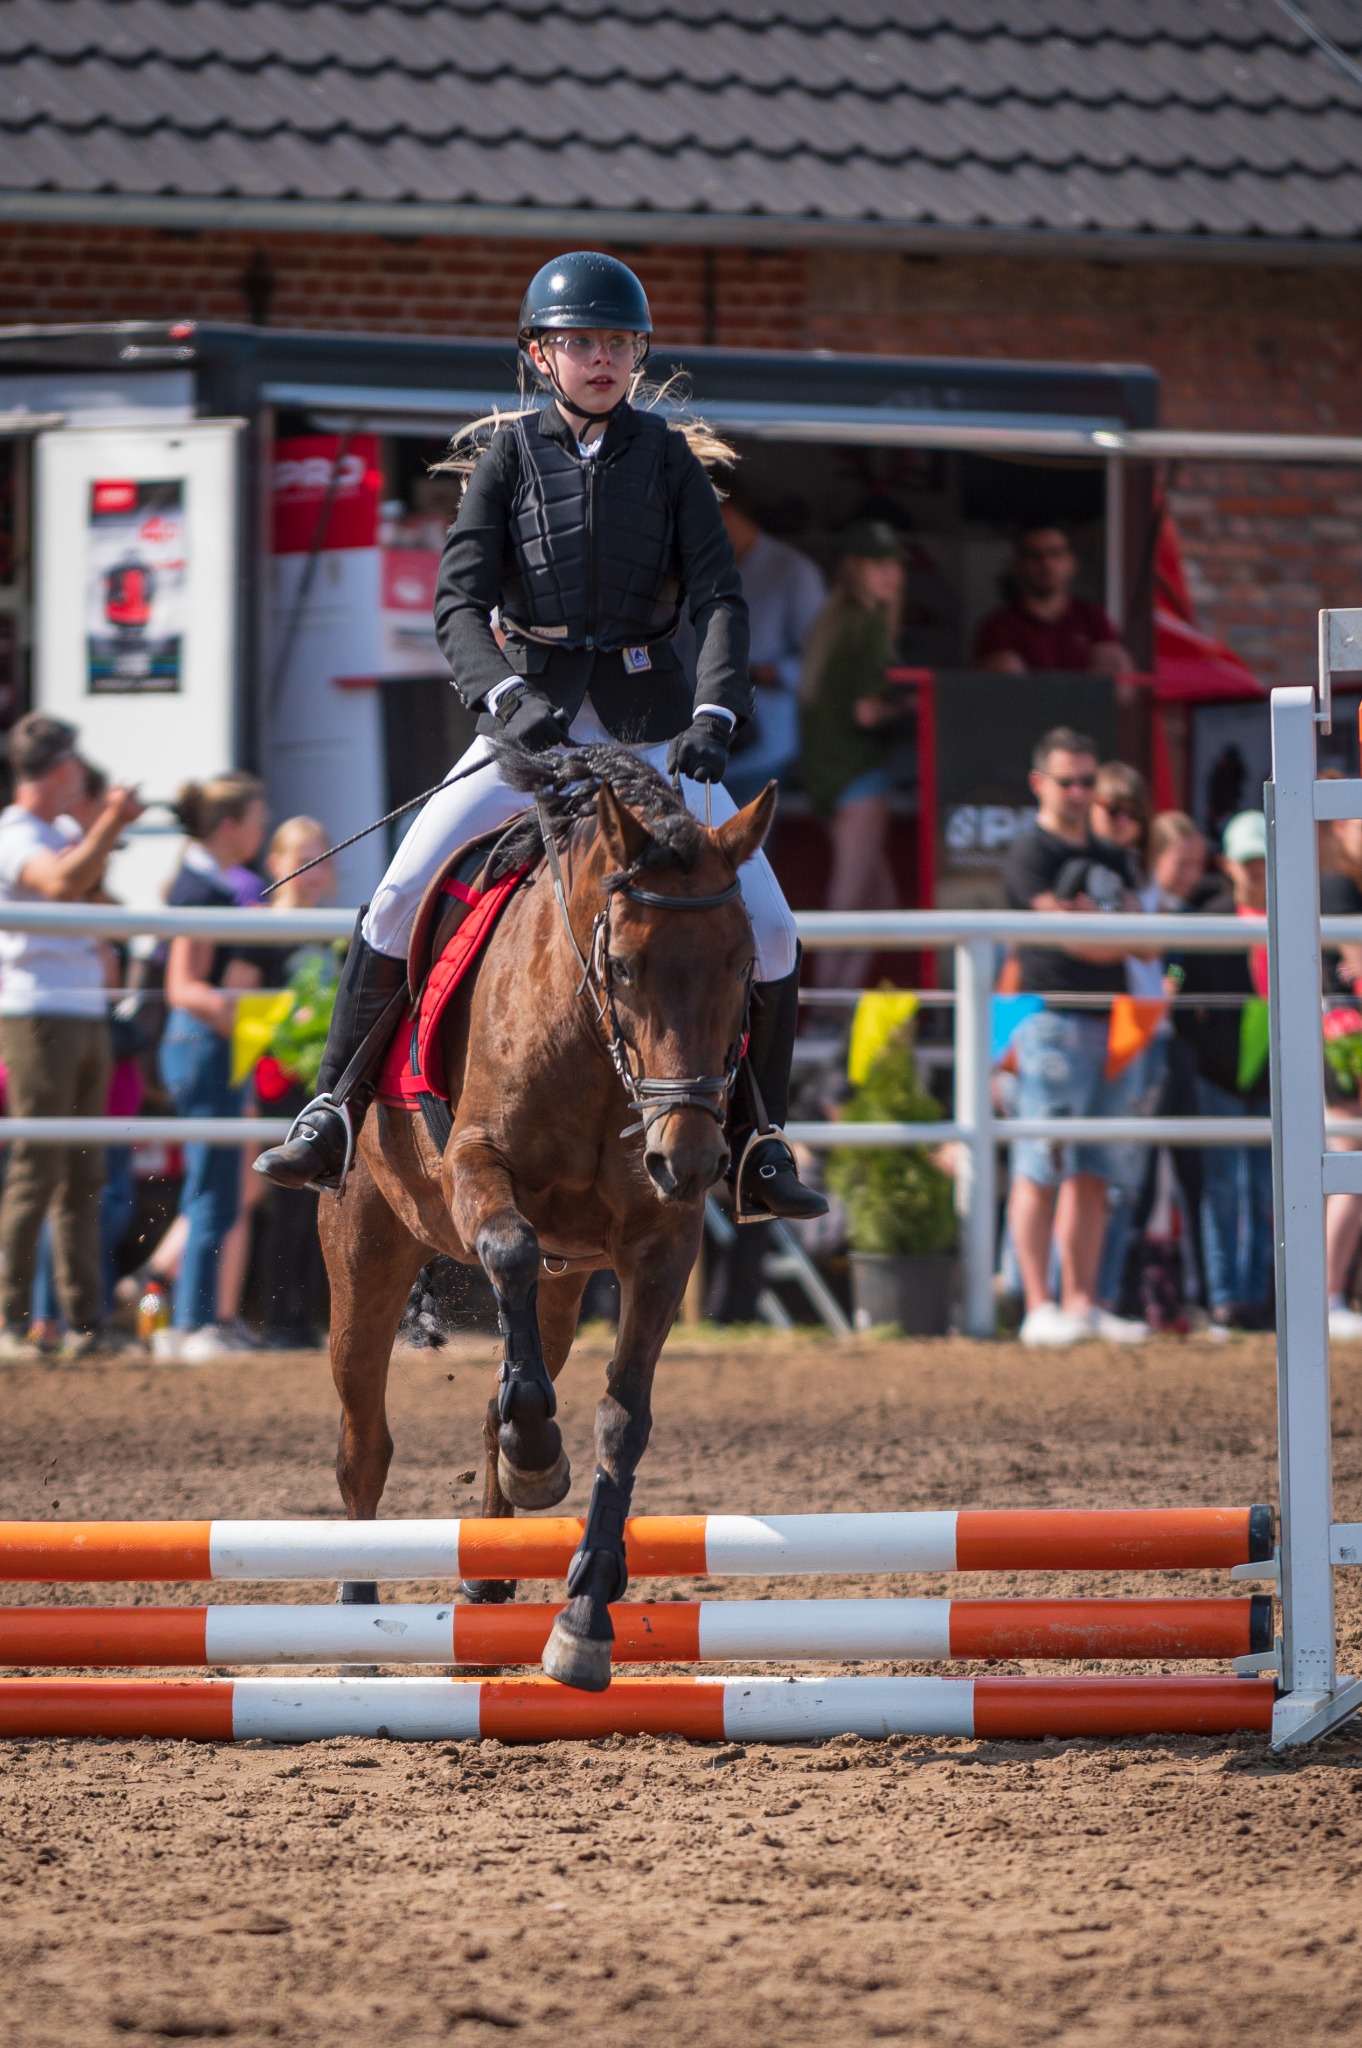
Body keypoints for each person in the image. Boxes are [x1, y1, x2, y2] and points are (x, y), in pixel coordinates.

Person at [256, 250, 826, 1225]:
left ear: (637, 354)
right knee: (395, 895)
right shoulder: (509, 459)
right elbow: (458, 604)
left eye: (617, 343)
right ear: (540, 354)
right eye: (581, 343)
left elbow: (720, 601)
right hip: (532, 739)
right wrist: (508, 698)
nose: (601, 358)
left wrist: (713, 716)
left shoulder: (670, 462)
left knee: (771, 927)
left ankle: (757, 1142)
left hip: (653, 737)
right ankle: (332, 1111)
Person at [1000, 726, 1156, 1348]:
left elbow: (1149, 941)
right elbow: (1066, 938)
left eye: (1089, 781)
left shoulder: (1113, 855)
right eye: (1069, 781)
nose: (1082, 793)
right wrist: (1105, 929)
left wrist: (1095, 928)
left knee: (1096, 1171)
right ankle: (1039, 1304)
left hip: (1112, 1020)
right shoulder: (1028, 852)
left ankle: (1083, 1302)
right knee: (1042, 1164)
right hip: (1051, 1020)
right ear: (1041, 783)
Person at [0, 713, 143, 1358]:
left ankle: (85, 1323)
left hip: (77, 1011)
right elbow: (65, 887)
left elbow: (98, 903)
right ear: (62, 770)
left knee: (82, 1171)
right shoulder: (15, 834)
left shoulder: (56, 832)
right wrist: (110, 825)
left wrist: (95, 841)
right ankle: (9, 1320)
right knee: (38, 1166)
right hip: (40, 1011)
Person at [157, 772, 269, 1362]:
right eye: (255, 819)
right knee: (212, 1189)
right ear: (229, 826)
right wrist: (259, 1017)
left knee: (219, 1188)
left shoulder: (209, 883)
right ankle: (193, 1323)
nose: (260, 830)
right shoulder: (201, 889)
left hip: (209, 1044)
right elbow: (185, 988)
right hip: (203, 1042)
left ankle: (195, 1321)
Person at [1165, 810, 1274, 1334]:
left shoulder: (1290, 909)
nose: (1255, 870)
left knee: (1265, 1188)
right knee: (1224, 1187)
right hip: (1221, 1074)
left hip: (1274, 1074)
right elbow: (1179, 981)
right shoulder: (1208, 916)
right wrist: (1210, 1050)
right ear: (1228, 863)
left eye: (1261, 860)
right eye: (1247, 861)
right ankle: (1227, 1296)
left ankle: (1259, 1295)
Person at [799, 521, 906, 990]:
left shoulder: (833, 618)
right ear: (856, 569)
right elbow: (867, 713)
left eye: (893, 565)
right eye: (876, 565)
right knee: (848, 904)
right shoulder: (866, 622)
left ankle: (836, 1011)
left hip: (828, 778)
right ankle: (822, 1010)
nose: (889, 575)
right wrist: (917, 704)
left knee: (881, 904)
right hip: (858, 778)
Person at [717, 483, 826, 805]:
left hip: (761, 748)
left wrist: (766, 673)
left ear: (729, 512)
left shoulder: (793, 571)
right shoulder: (699, 567)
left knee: (749, 853)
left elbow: (824, 662)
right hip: (697, 743)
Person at [1317, 801, 1362, 1339]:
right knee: (1348, 1165)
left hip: (1344, 1035)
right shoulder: (1333, 885)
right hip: (1342, 1039)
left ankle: (1332, 1293)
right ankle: (1326, 1295)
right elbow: (1355, 971)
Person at [975, 526, 1131, 674]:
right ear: (1018, 565)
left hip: (1084, 702)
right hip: (1026, 702)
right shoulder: (999, 625)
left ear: (1071, 562)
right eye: (1035, 555)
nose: (1046, 564)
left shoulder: (1093, 619)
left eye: (1055, 553)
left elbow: (1123, 687)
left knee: (1111, 657)